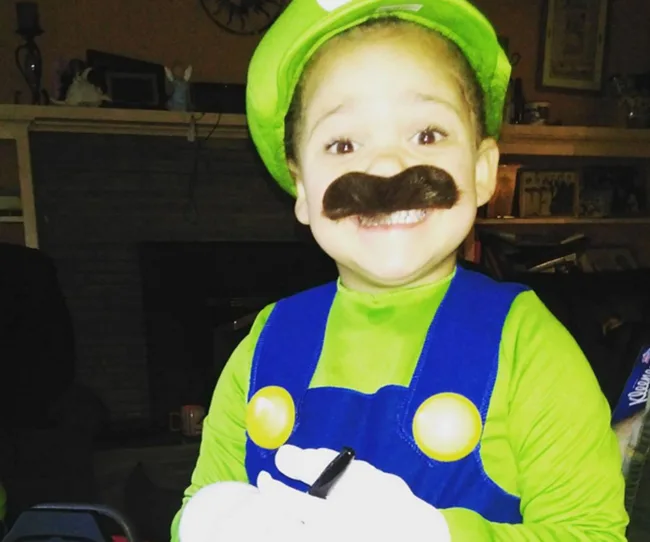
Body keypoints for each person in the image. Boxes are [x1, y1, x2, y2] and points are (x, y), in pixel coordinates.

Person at [171, 0, 628, 540]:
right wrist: (213, 522)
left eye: (427, 135)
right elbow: (200, 506)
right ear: (302, 189)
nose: (387, 167)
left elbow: (591, 532)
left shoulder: (528, 346)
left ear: (483, 170)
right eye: (343, 144)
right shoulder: (262, 347)